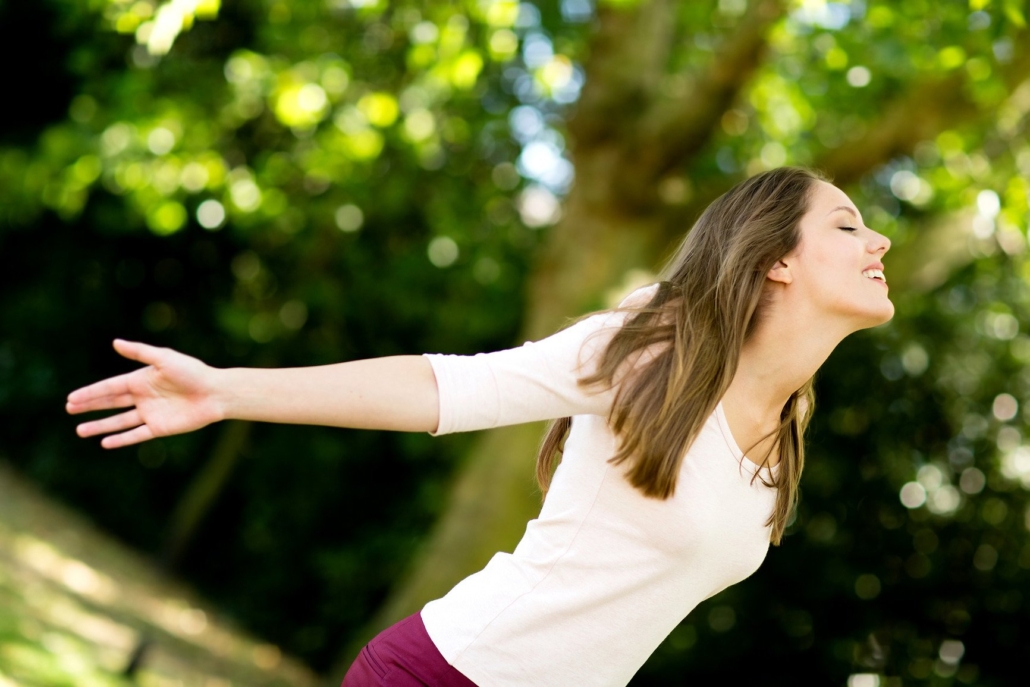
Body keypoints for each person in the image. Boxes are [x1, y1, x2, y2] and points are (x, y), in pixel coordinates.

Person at [66, 166, 893, 686]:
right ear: (774, 258)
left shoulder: (785, 431)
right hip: (446, 674)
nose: (880, 239)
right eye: (847, 224)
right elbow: (453, 387)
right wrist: (224, 390)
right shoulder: (655, 353)